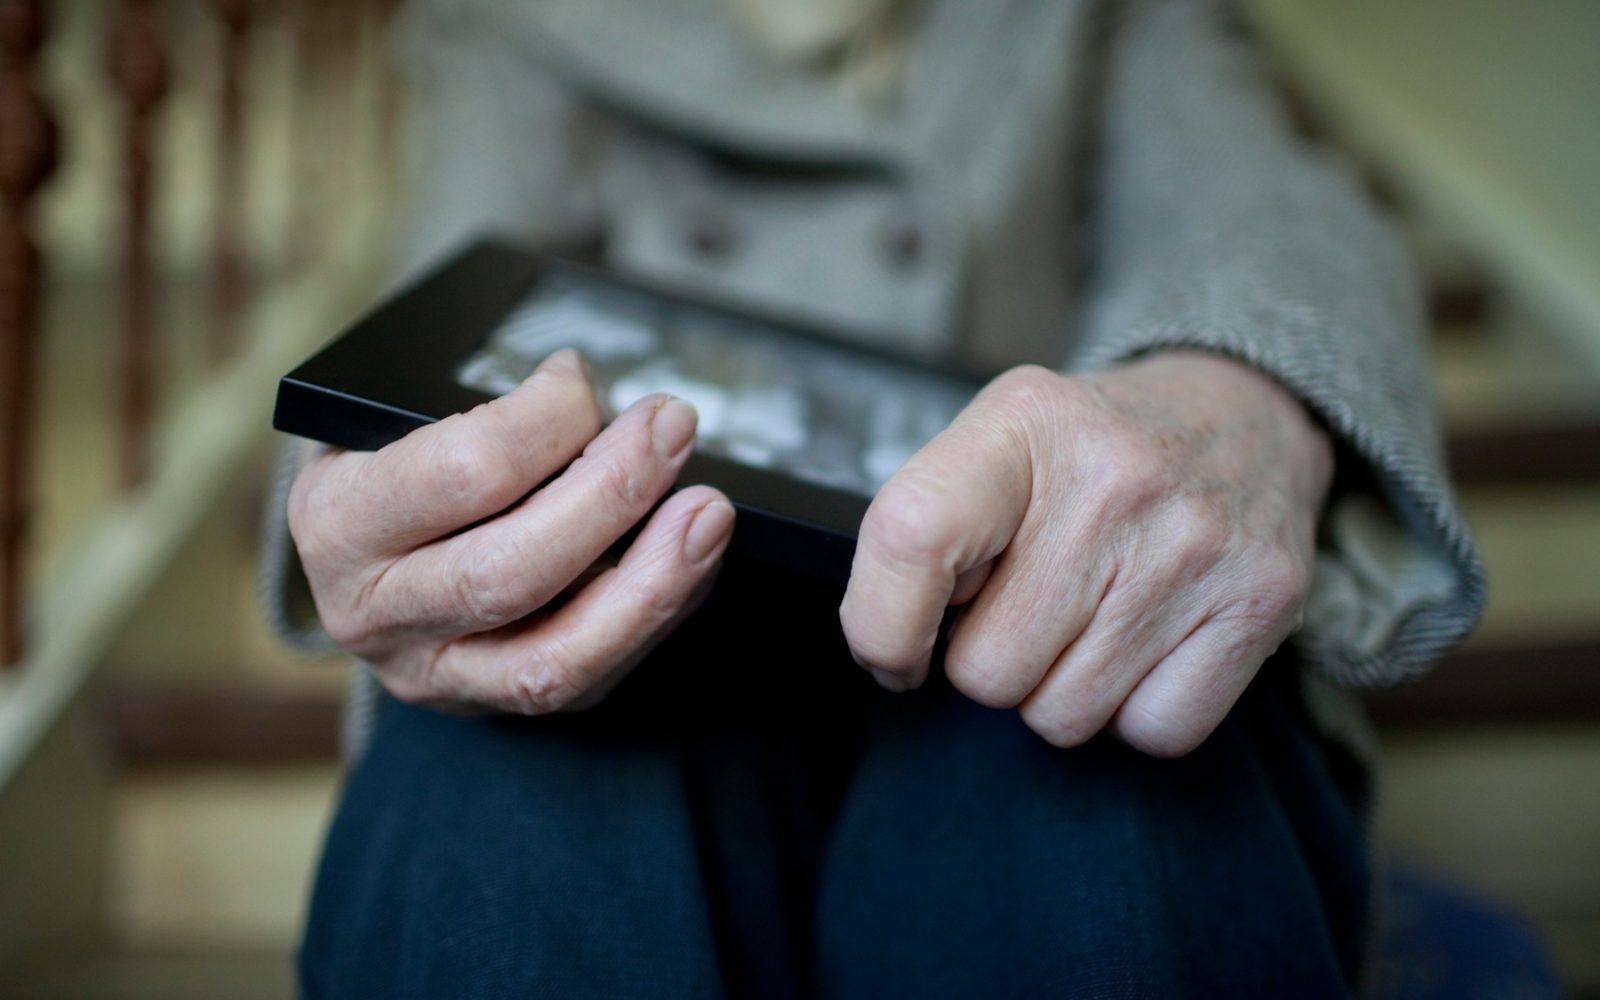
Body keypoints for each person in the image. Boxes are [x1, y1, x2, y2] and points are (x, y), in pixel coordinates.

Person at [263, 0, 1485, 996]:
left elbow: (1261, 207)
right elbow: (446, 279)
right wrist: (391, 495)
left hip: (1016, 596)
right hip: (668, 621)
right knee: (499, 807)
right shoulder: (520, 23)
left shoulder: (1103, 19)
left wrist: (1235, 394)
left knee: (1114, 796)